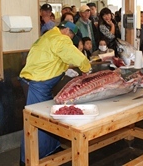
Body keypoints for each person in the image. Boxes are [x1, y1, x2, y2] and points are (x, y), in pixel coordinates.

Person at [19, 21, 91, 165]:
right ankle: (30, 159)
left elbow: (51, 58)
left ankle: (51, 151)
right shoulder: (61, 39)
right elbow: (77, 57)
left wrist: (64, 69)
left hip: (33, 82)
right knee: (37, 123)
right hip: (37, 85)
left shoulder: (49, 36)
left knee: (48, 118)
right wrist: (86, 68)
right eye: (71, 37)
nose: (70, 40)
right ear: (67, 32)